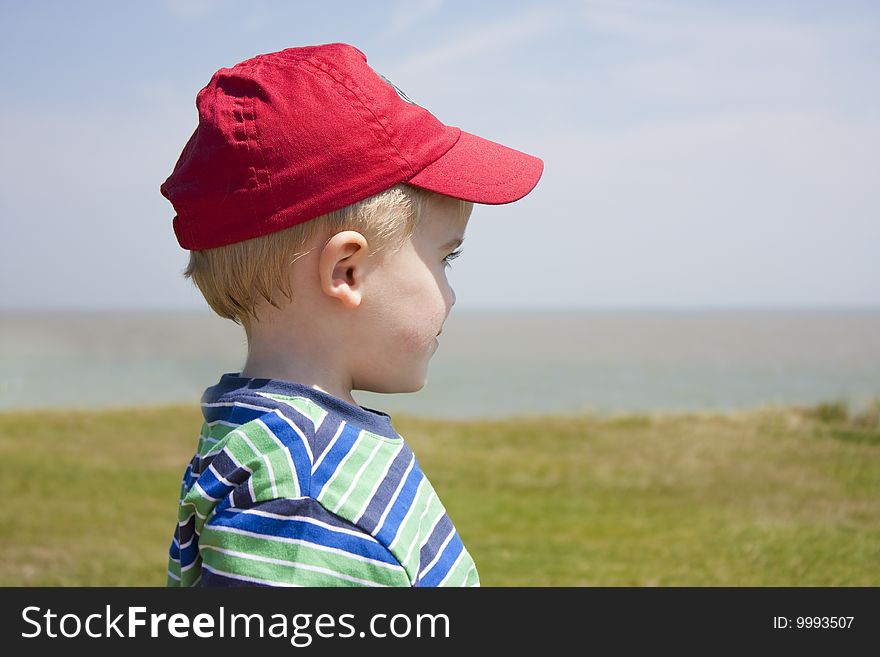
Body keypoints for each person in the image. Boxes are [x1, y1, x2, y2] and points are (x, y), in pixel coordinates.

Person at [160, 42, 543, 587]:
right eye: (445, 258)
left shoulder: (280, 447)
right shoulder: (302, 505)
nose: (451, 295)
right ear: (348, 272)